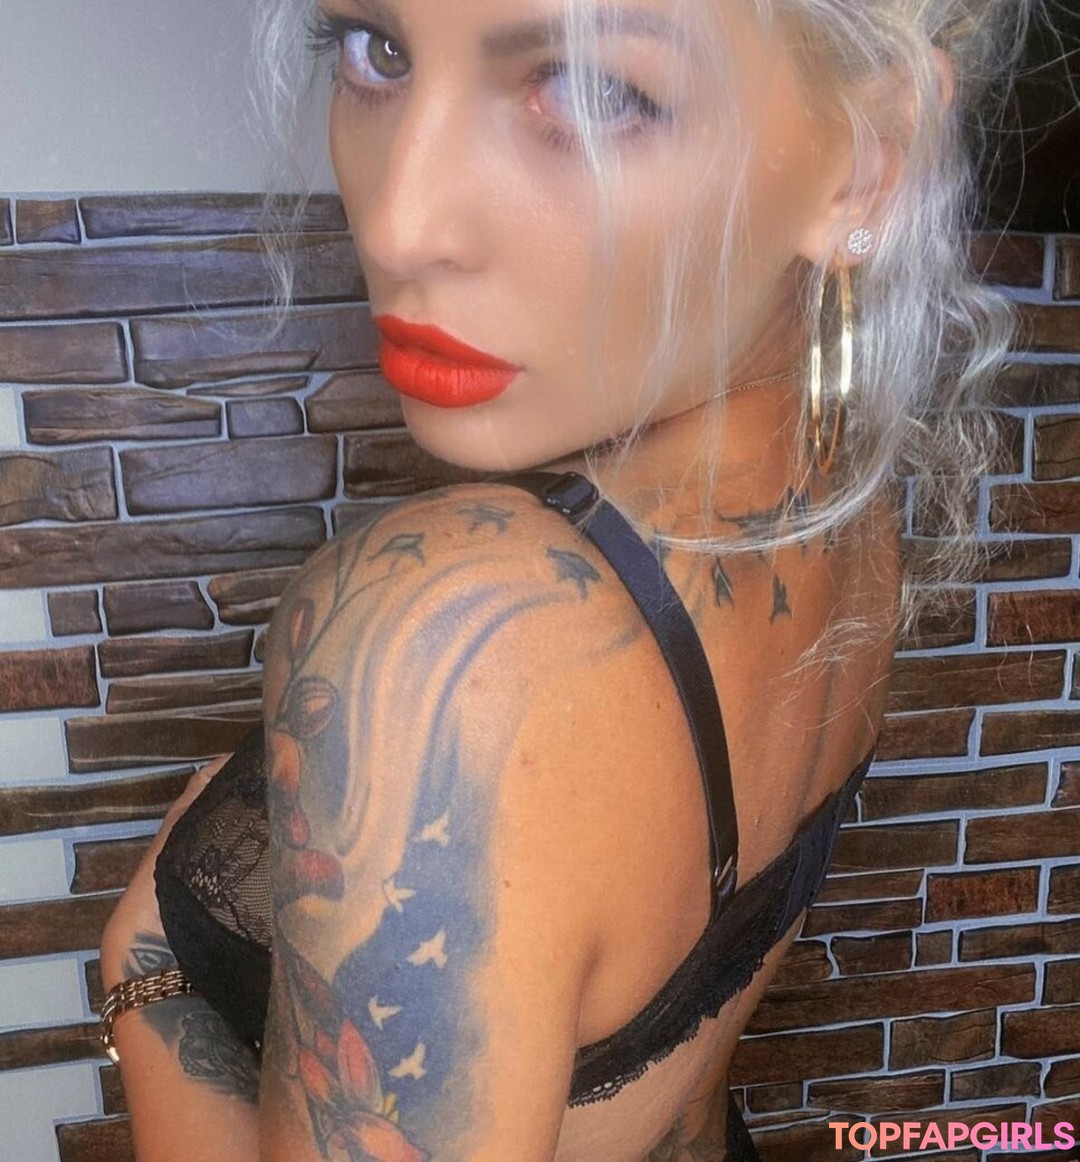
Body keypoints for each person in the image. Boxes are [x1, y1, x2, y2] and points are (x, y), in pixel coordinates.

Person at [99, 0, 1033, 1157]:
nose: (399, 223)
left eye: (595, 91)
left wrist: (148, 976)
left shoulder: (467, 634)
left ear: (866, 161)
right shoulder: (838, 492)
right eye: (376, 52)